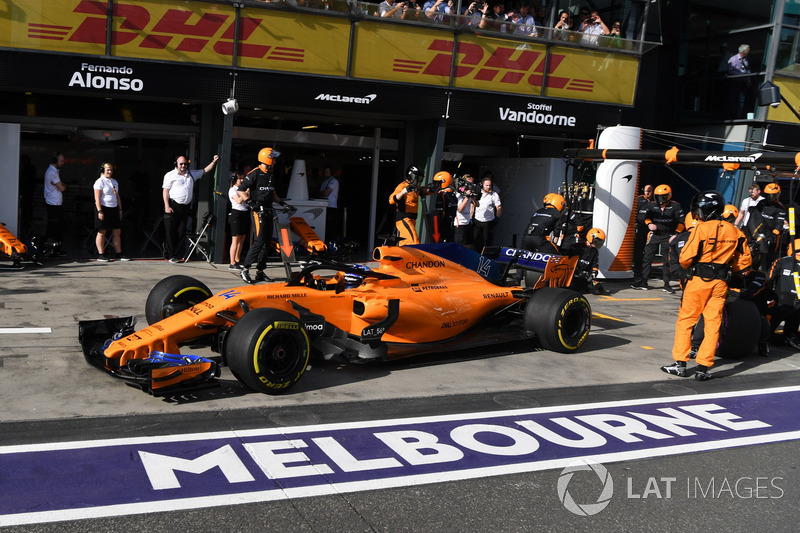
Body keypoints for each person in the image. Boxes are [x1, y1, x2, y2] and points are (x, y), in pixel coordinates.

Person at [661, 190, 751, 381]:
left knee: (686, 322)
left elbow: (686, 258)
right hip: (720, 283)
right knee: (713, 324)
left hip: (698, 280)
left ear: (706, 211)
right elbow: (743, 264)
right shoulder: (735, 231)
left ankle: (680, 364)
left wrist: (687, 268)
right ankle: (703, 368)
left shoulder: (700, 229)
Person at [238, 147, 291, 284]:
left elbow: (272, 194)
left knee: (267, 242)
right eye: (273, 159)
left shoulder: (270, 174)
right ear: (267, 159)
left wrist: (283, 204)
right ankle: (245, 269)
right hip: (258, 212)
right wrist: (251, 203)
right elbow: (241, 190)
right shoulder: (254, 174)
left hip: (269, 211)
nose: (275, 162)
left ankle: (260, 271)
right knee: (259, 240)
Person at [162, 153, 219, 263]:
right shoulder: (170, 175)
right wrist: (167, 206)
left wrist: (214, 161)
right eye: (181, 164)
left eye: (185, 164)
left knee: (180, 232)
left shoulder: (191, 174)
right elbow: (165, 191)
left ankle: (171, 250)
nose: (183, 166)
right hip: (173, 206)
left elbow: (205, 171)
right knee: (171, 231)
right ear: (176, 164)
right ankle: (171, 254)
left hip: (185, 208)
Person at [633, 184, 684, 292]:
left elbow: (681, 222)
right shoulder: (651, 205)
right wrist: (649, 224)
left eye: (662, 196)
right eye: (658, 196)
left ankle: (666, 283)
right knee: (647, 256)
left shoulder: (675, 206)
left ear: (668, 196)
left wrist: (676, 234)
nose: (660, 199)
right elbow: (646, 217)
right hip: (655, 234)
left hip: (668, 235)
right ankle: (644, 281)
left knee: (666, 259)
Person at [766, 239, 800, 351]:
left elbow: (769, 278)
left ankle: (786, 338)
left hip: (788, 301)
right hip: (783, 300)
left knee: (788, 332)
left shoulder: (782, 261)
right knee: (769, 329)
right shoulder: (782, 262)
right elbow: (769, 278)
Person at [93, 163, 129, 262]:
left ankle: (118, 253)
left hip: (114, 207)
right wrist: (100, 211)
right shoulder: (99, 182)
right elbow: (97, 198)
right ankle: (101, 254)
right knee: (102, 231)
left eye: (111, 170)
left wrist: (120, 209)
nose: (110, 172)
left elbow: (117, 196)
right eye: (108, 170)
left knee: (117, 231)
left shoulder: (114, 182)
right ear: (102, 170)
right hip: (104, 207)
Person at [746, 182, 786, 272]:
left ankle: (765, 277)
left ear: (778, 195)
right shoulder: (761, 203)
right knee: (753, 256)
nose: (770, 198)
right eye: (768, 195)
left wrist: (774, 234)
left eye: (773, 196)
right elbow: (754, 217)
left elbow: (779, 223)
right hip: (757, 232)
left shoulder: (780, 208)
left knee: (767, 260)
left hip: (770, 236)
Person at [389, 165, 429, 245]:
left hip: (412, 220)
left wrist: (433, 187)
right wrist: (403, 192)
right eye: (417, 178)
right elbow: (391, 200)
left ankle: (402, 256)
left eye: (420, 179)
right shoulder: (402, 186)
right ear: (410, 176)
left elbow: (427, 191)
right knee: (414, 241)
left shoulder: (416, 187)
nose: (418, 181)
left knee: (404, 242)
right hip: (404, 219)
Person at [567, 227, 606, 295]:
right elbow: (569, 262)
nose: (598, 243)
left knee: (598, 289)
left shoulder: (594, 251)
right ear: (591, 238)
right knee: (572, 288)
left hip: (584, 277)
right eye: (597, 241)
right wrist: (578, 271)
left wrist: (594, 273)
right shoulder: (578, 247)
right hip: (572, 275)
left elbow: (595, 263)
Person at [472, 175, 502, 254]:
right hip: (477, 220)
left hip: (488, 221)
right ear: (482, 184)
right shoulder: (478, 193)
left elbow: (498, 207)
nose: (489, 187)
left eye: (490, 185)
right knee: (475, 240)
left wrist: (497, 217)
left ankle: (484, 256)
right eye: (487, 185)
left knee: (486, 241)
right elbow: (473, 204)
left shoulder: (494, 195)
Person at [43, 152, 66, 253]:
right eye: (61, 161)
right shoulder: (52, 172)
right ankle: (54, 249)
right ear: (55, 161)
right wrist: (65, 185)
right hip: (54, 204)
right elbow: (62, 188)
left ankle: (54, 249)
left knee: (56, 227)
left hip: (54, 203)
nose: (63, 163)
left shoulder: (54, 171)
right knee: (55, 228)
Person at [632, 184, 654, 285]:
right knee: (638, 249)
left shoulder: (656, 200)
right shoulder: (639, 200)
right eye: (646, 191)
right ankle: (637, 270)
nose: (648, 192)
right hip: (640, 228)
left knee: (648, 250)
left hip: (651, 228)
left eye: (650, 190)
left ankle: (646, 271)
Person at [228, 172, 250, 271]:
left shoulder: (243, 189)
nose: (241, 180)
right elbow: (238, 201)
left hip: (245, 213)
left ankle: (237, 259)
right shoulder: (232, 190)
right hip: (236, 213)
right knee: (235, 239)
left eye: (243, 178)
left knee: (242, 238)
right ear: (234, 180)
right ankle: (232, 262)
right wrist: (245, 192)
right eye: (239, 179)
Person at [727, 44, 751, 118]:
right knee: (733, 100)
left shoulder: (746, 59)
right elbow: (730, 71)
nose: (748, 52)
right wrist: (741, 74)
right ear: (743, 51)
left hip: (743, 83)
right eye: (748, 51)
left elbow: (746, 69)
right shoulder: (733, 59)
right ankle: (732, 116)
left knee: (742, 100)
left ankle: (739, 116)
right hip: (735, 83)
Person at [453, 173, 476, 248]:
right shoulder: (459, 194)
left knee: (469, 243)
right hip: (460, 223)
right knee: (461, 245)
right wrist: (466, 198)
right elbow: (459, 209)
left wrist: (472, 197)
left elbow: (477, 204)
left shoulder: (470, 194)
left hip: (468, 221)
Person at [319, 165, 340, 240]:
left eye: (327, 172)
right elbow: (321, 192)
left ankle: (331, 243)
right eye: (325, 172)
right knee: (325, 226)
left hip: (331, 207)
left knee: (330, 227)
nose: (326, 173)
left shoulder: (334, 181)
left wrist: (321, 192)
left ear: (331, 172)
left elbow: (325, 193)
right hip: (324, 206)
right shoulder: (325, 181)